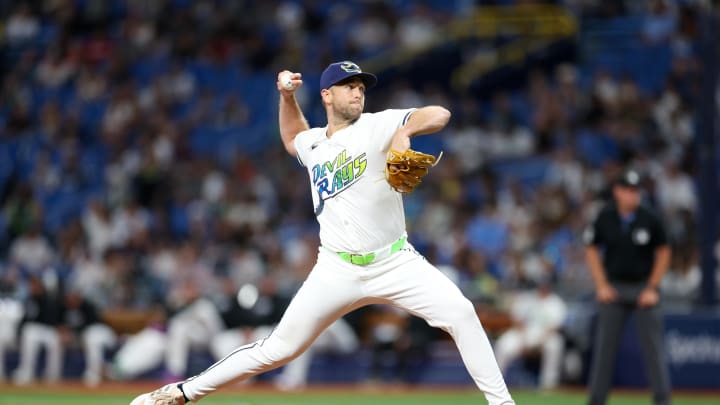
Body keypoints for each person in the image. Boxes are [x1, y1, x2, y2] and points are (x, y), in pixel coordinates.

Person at [130, 61, 515, 405]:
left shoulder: (378, 124)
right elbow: (291, 138)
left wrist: (406, 131)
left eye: (361, 86)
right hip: (336, 269)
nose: (358, 91)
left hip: (395, 261)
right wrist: (286, 96)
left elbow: (440, 114)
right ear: (327, 95)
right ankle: (179, 393)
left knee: (462, 312)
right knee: (278, 349)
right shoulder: (314, 142)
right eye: (350, 86)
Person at [583, 169, 671, 405]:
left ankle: (663, 401)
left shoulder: (650, 217)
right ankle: (596, 401)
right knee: (604, 351)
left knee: (653, 350)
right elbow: (591, 248)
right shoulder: (605, 216)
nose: (633, 195)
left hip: (643, 287)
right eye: (628, 191)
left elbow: (663, 252)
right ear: (617, 192)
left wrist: (652, 287)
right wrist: (601, 284)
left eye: (636, 191)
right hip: (614, 288)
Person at [494, 279, 567, 389]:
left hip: (545, 336)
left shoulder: (556, 303)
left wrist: (540, 343)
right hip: (524, 334)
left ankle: (548, 385)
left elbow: (556, 327)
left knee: (555, 344)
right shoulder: (527, 298)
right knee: (503, 344)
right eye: (541, 285)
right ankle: (494, 384)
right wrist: (523, 341)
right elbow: (517, 320)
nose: (543, 288)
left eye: (545, 285)